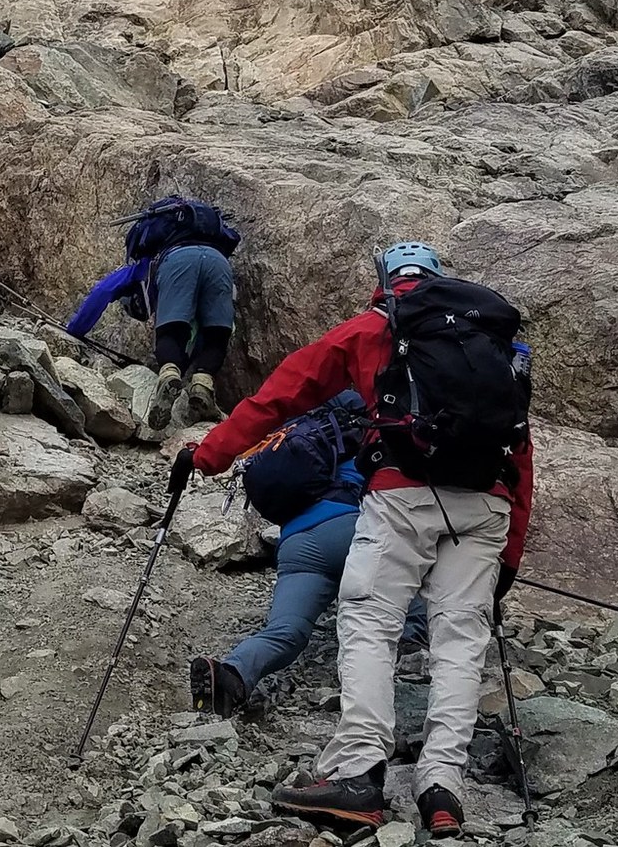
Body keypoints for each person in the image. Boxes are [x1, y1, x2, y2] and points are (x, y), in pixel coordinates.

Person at [173, 242, 533, 840]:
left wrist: (208, 454)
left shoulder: (373, 327)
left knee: (369, 621)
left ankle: (359, 772)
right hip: (487, 502)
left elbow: (281, 395)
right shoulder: (491, 343)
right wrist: (510, 560)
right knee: (460, 638)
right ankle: (442, 789)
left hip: (402, 494)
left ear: (385, 283)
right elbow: (520, 453)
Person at [187, 390, 427, 718]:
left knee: (287, 631)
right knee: (410, 581)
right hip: (350, 526)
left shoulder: (292, 436)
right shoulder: (367, 430)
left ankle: (232, 674)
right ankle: (410, 654)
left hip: (297, 543)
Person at [67, 196, 238, 429]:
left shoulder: (144, 265)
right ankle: (202, 384)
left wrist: (74, 331)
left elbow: (103, 290)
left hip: (178, 261)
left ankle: (168, 375)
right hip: (220, 263)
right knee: (216, 336)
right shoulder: (210, 243)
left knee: (171, 332)